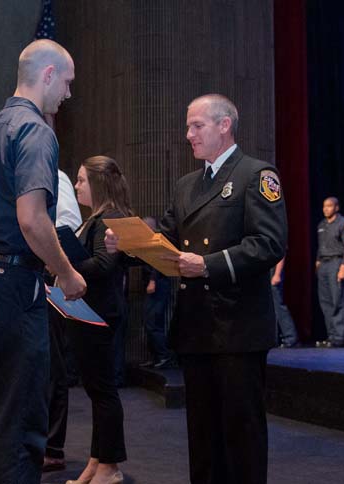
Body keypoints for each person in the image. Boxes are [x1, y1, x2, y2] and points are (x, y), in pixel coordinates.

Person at [106, 93, 287, 484]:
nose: (188, 134)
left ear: (225, 125)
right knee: (201, 435)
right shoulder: (186, 184)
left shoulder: (256, 175)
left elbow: (269, 244)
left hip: (238, 326)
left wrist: (208, 265)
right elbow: (167, 242)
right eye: (188, 126)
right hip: (197, 327)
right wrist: (128, 246)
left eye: (196, 126)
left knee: (241, 433)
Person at [0, 38, 86, 484]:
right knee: (23, 419)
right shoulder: (35, 130)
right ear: (48, 74)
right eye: (68, 83)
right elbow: (32, 220)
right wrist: (67, 273)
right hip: (14, 282)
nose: (68, 95)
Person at [65, 156, 131, 484]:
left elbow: (104, 266)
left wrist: (64, 270)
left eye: (81, 179)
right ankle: (97, 461)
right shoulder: (98, 218)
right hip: (91, 313)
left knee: (103, 392)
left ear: (98, 182)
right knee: (97, 391)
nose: (76, 186)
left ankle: (110, 467)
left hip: (99, 314)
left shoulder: (111, 217)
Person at [44, 169, 83, 473]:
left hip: (47, 277)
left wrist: (46, 252)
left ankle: (52, 447)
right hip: (20, 280)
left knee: (53, 366)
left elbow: (68, 225)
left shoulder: (54, 175)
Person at [315, 197, 344, 347]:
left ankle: (340, 336)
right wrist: (317, 263)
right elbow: (320, 247)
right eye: (324, 206)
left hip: (336, 263)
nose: (326, 209)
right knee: (325, 301)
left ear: (336, 207)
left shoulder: (343, 223)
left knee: (337, 299)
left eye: (329, 206)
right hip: (323, 265)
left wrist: (343, 267)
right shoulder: (321, 225)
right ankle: (331, 335)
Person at [139, 216, 176, 369]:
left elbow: (159, 262)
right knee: (150, 322)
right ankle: (156, 357)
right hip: (154, 284)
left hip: (159, 284)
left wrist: (153, 280)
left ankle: (163, 356)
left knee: (153, 322)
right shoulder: (149, 243)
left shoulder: (157, 242)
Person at [271, 255, 299, 347]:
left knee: (278, 306)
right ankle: (275, 338)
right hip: (267, 274)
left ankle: (290, 337)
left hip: (274, 274)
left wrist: (277, 274)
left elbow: (281, 255)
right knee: (271, 309)